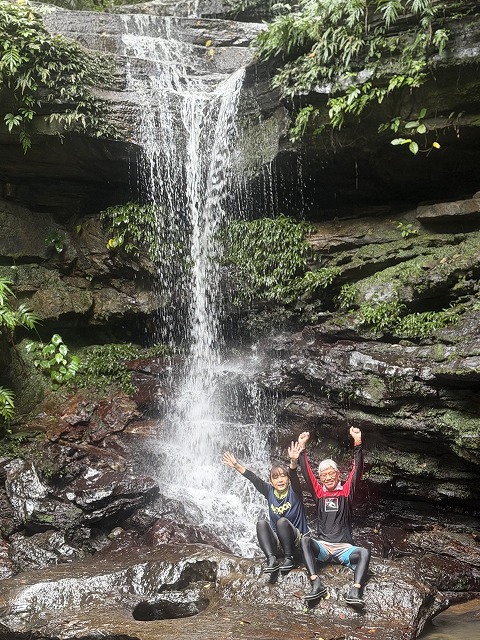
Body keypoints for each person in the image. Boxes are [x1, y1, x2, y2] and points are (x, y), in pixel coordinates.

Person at [293, 426, 370, 607]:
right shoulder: (319, 493)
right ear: (320, 478)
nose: (327, 478)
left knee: (364, 552)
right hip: (324, 547)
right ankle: (315, 583)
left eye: (330, 473)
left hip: (345, 549)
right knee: (305, 541)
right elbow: (307, 474)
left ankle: (355, 590)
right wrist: (302, 448)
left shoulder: (346, 492)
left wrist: (358, 442)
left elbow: (357, 471)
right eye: (324, 475)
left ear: (338, 474)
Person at [223, 442, 308, 573]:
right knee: (261, 523)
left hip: (297, 543)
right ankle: (271, 559)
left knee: (282, 522)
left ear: (288, 480)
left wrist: (293, 462)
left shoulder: (295, 491)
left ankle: (289, 558)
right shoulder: (269, 491)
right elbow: (254, 479)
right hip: (278, 544)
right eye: (275, 477)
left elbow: (294, 474)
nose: (280, 480)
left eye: (283, 476)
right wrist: (236, 465)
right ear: (271, 482)